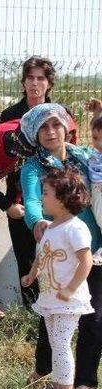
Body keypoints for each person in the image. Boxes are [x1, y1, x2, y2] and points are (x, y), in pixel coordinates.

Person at [20, 103, 102, 389]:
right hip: (60, 254)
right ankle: (44, 369)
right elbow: (31, 200)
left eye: (56, 124)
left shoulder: (85, 157)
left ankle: (85, 380)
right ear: (35, 133)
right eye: (44, 127)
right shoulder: (32, 166)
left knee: (94, 318)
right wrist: (38, 220)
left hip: (94, 247)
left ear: (66, 126)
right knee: (53, 314)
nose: (51, 131)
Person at [0, 56, 58, 309]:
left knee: (55, 259)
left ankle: (54, 314)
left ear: (49, 83)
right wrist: (7, 205)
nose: (35, 83)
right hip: (19, 202)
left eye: (41, 78)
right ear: (23, 81)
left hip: (55, 202)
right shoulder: (9, 115)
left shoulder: (59, 115)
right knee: (26, 259)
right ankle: (32, 316)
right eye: (30, 78)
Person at [21, 167, 94, 389]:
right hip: (51, 298)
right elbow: (42, 257)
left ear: (62, 199)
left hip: (67, 300)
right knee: (56, 343)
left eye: (45, 193)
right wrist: (32, 274)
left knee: (62, 343)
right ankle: (58, 387)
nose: (41, 198)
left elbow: (86, 261)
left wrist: (71, 289)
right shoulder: (50, 228)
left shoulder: (76, 228)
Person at [86, 98, 102, 264]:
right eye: (95, 138)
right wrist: (98, 112)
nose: (98, 143)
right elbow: (95, 124)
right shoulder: (94, 153)